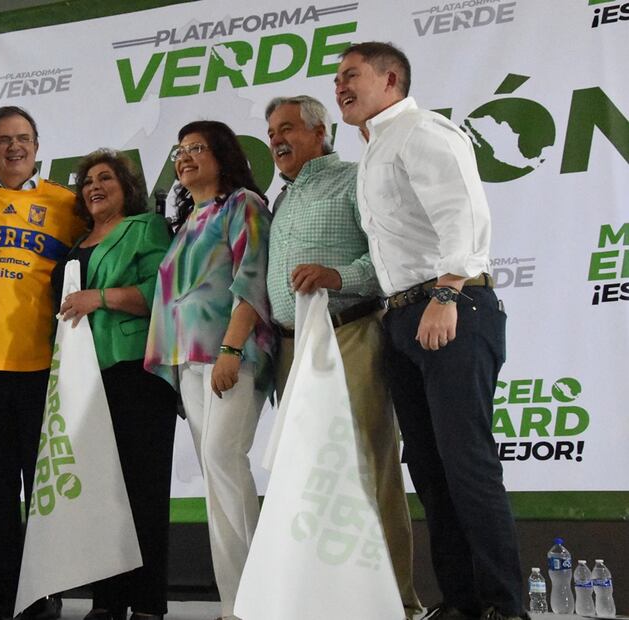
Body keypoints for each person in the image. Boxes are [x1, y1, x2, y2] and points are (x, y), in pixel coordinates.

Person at [335, 42, 527, 620]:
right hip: (401, 317)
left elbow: (463, 215)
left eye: (351, 75)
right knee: (430, 467)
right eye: (336, 79)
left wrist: (446, 293)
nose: (340, 86)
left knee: (466, 462)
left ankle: (504, 605)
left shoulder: (422, 132)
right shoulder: (374, 149)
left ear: (390, 78)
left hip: (450, 307)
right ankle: (463, 602)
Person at [264, 94, 423, 619]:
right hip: (292, 348)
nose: (276, 140)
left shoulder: (355, 178)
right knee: (310, 475)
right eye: (270, 133)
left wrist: (339, 277)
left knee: (368, 465)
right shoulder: (281, 198)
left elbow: (390, 256)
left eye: (286, 128)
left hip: (350, 334)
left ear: (321, 130)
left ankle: (393, 598)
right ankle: (328, 595)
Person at [144, 120, 274, 620]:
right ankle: (234, 603)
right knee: (217, 479)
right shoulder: (189, 221)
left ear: (223, 155)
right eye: (180, 151)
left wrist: (231, 348)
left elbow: (253, 276)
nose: (186, 157)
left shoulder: (243, 204)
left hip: (230, 356)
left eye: (198, 148)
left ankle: (259, 598)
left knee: (225, 462)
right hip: (189, 363)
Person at [0, 106, 86, 620]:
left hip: (42, 366)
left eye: (24, 139)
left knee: (41, 488)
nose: (15, 147)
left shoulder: (66, 203)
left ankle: (45, 590)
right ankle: (5, 590)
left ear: (37, 146)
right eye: (4, 140)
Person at [51, 150, 176, 620]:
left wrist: (96, 298)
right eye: (87, 181)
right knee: (99, 494)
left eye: (106, 178)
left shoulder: (146, 228)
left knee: (142, 492)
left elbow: (159, 293)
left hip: (135, 375)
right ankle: (107, 601)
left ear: (127, 187)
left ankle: (145, 604)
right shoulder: (76, 241)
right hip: (83, 378)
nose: (94, 186)